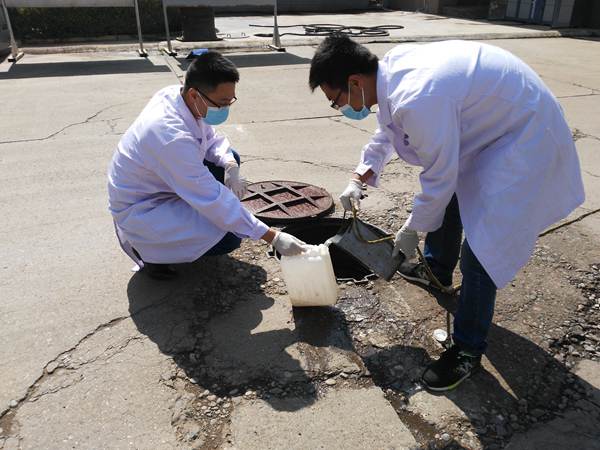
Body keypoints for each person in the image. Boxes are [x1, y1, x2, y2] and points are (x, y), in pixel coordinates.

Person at [309, 35, 584, 391]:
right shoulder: (392, 75)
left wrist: (412, 229)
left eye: (336, 100)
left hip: (523, 138)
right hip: (494, 126)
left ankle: (467, 350)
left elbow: (439, 175)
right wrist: (358, 177)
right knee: (450, 192)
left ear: (355, 82)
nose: (340, 108)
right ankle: (436, 268)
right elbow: (389, 131)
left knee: (482, 251)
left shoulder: (418, 97)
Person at [108, 51, 307, 280]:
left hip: (162, 183)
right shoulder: (169, 136)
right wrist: (272, 236)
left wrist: (230, 165)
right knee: (230, 236)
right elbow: (210, 197)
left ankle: (186, 234)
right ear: (194, 94)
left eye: (230, 101)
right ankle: (150, 253)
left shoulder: (177, 96)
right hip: (145, 208)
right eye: (221, 103)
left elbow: (210, 139)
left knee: (231, 157)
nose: (226, 109)